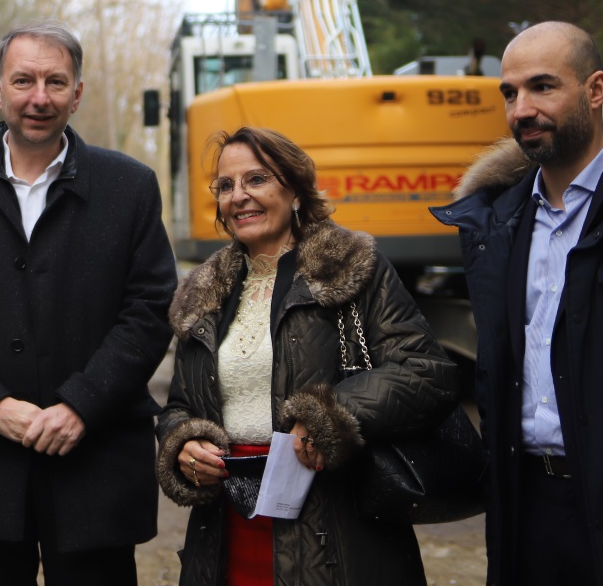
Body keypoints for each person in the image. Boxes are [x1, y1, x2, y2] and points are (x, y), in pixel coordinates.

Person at [0, 21, 178, 586]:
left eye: (56, 82)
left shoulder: (129, 187)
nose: (39, 97)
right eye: (23, 80)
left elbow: (150, 311)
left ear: (77, 94)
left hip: (96, 466)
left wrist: (81, 405)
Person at [158, 126, 458, 586]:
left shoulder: (349, 267)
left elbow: (426, 373)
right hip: (226, 529)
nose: (239, 196)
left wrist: (328, 416)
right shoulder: (202, 294)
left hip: (334, 531)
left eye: (257, 179)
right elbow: (180, 403)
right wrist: (183, 443)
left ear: (295, 189)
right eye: (226, 185)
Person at [433, 21, 603, 586]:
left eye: (543, 87)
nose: (522, 110)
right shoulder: (496, 223)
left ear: (595, 90)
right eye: (510, 93)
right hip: (527, 507)